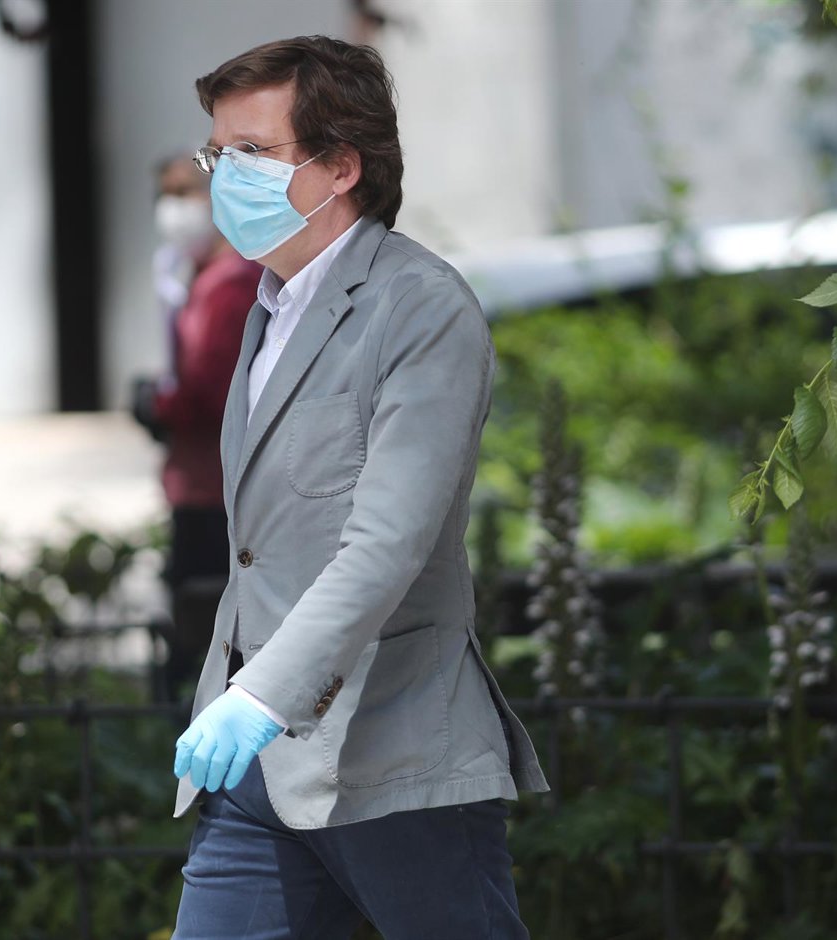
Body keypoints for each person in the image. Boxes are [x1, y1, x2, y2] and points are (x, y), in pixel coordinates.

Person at [169, 36, 549, 939]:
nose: (227, 177)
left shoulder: (420, 306)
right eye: (218, 154)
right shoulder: (268, 305)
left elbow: (386, 543)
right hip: (258, 767)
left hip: (390, 750)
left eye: (252, 152)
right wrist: (243, 698)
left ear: (342, 166)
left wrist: (260, 697)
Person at [131, 154, 264, 699]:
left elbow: (215, 394)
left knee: (207, 643)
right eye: (165, 195)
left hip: (218, 491)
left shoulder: (230, 283)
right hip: (200, 482)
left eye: (186, 192)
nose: (173, 208)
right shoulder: (202, 277)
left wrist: (159, 406)